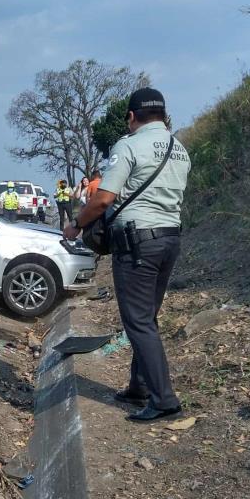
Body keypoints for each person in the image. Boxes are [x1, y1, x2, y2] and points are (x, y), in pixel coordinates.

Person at [63, 87, 191, 423]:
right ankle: (139, 387)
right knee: (146, 317)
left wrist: (76, 224)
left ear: (131, 117)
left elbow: (104, 198)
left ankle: (164, 400)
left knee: (137, 321)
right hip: (169, 239)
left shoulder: (128, 145)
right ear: (163, 116)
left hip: (137, 243)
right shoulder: (180, 149)